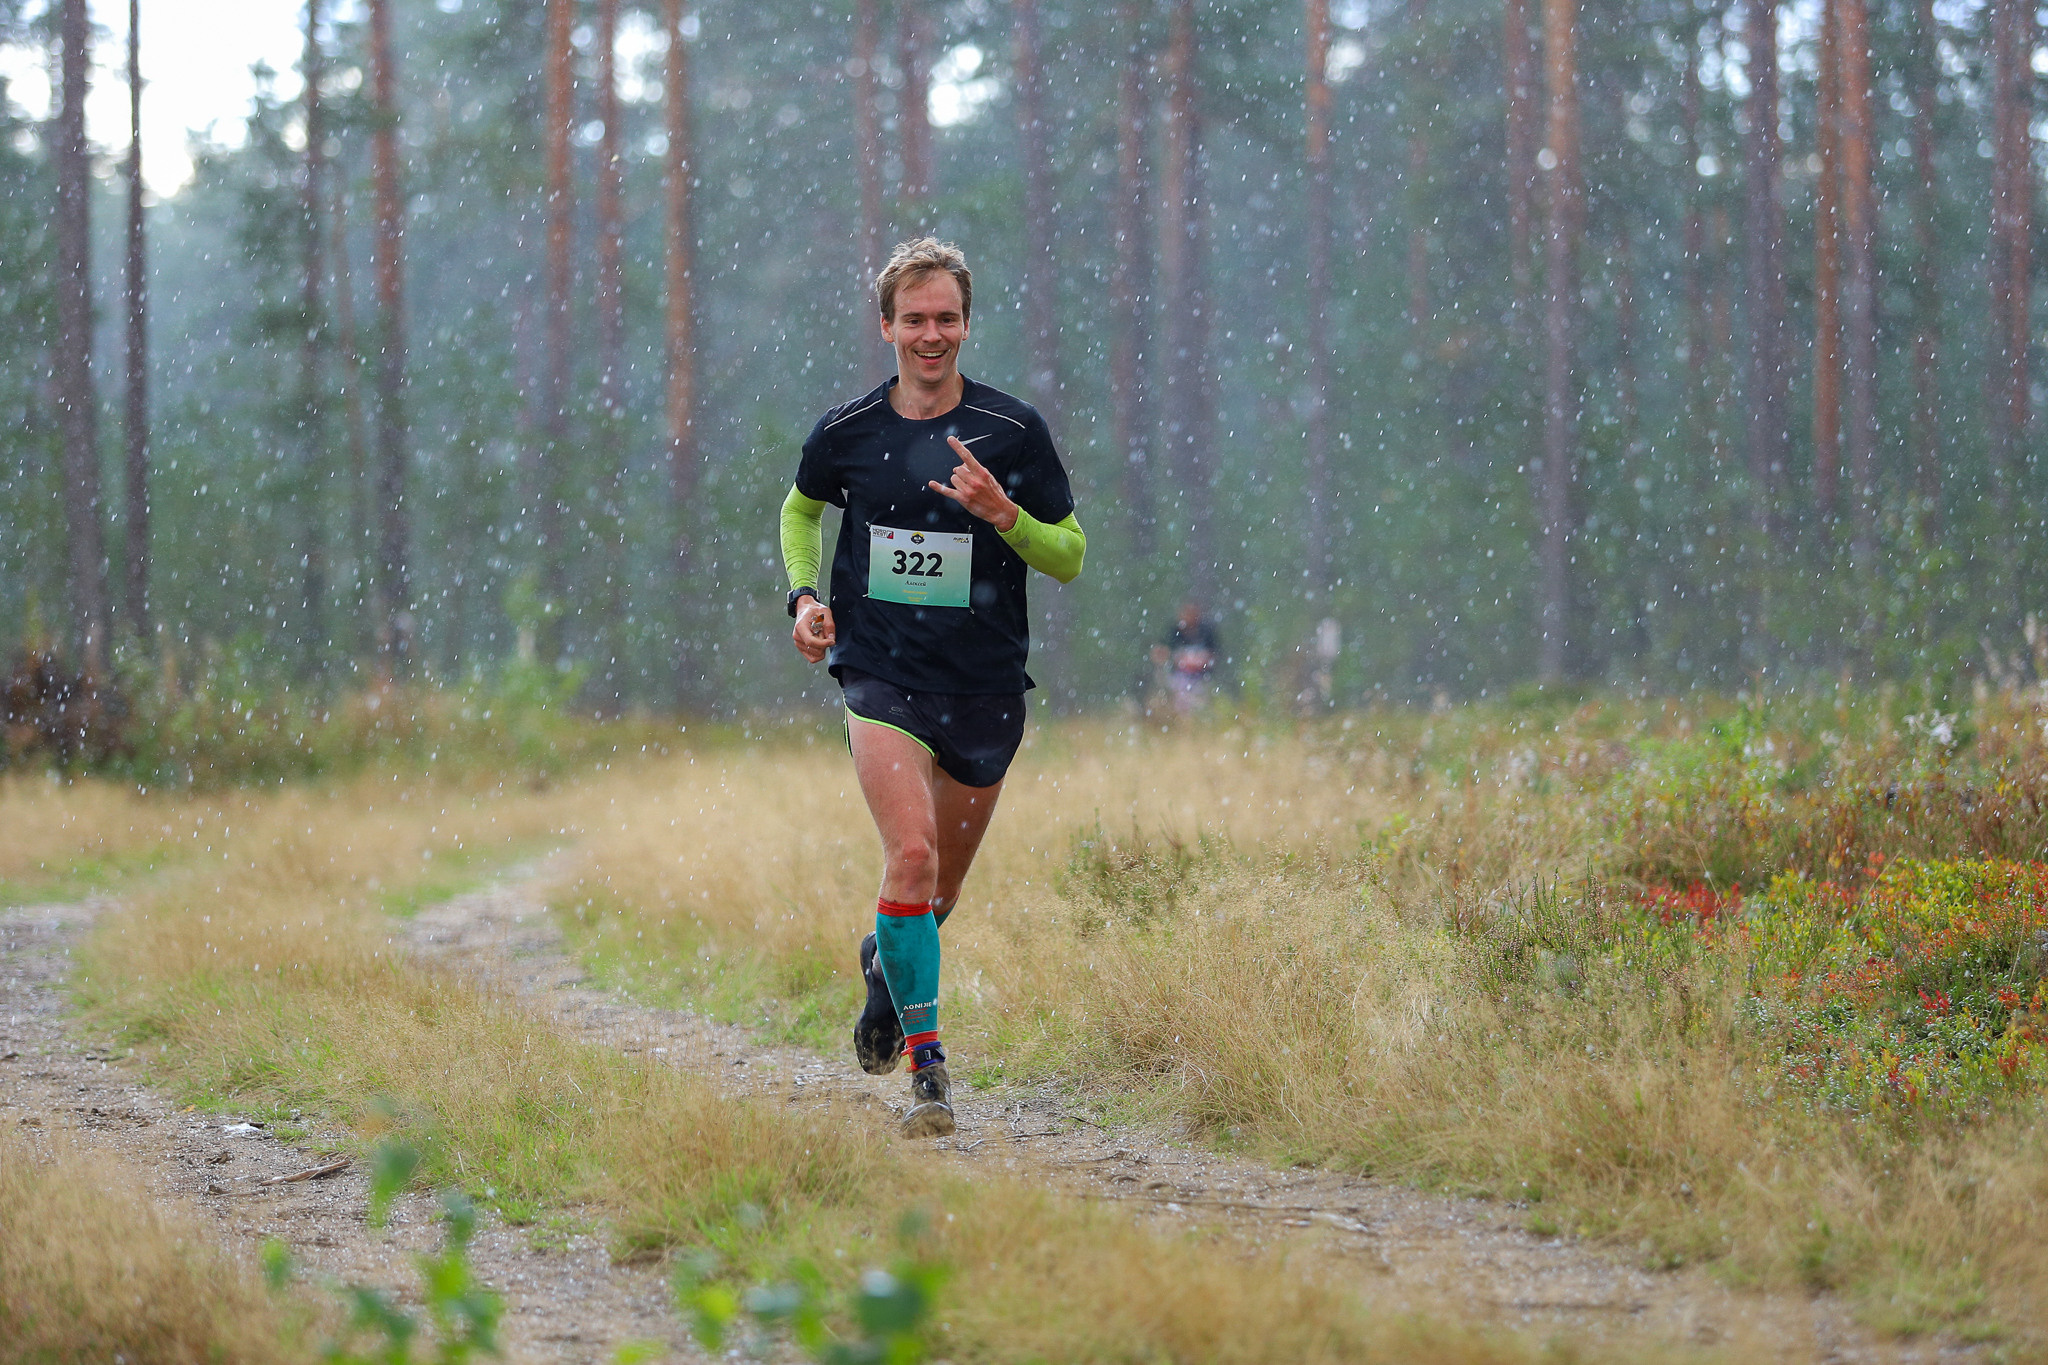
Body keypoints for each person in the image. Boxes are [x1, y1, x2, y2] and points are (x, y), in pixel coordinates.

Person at [779, 237, 1086, 1137]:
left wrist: (1006, 515)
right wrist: (803, 598)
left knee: (935, 897)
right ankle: (930, 1071)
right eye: (914, 318)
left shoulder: (1012, 430)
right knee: (908, 858)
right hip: (879, 674)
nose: (931, 333)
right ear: (886, 326)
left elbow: (1069, 555)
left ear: (965, 324)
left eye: (946, 317)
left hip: (985, 687)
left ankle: (887, 967)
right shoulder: (848, 432)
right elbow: (800, 508)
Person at [1151, 600, 1220, 714]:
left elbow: (1215, 654)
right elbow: (1159, 652)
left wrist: (1198, 660)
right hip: (1177, 677)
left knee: (1199, 702)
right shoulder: (1174, 633)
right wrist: (1176, 657)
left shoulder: (1206, 632)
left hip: (1202, 677)